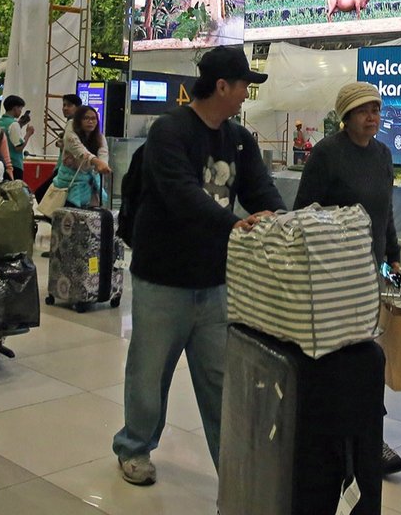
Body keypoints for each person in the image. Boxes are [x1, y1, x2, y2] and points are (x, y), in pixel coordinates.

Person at [112, 45, 283, 486]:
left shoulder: (241, 140)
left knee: (221, 381)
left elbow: (263, 193)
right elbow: (180, 195)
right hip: (162, 278)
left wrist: (288, 224)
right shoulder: (170, 132)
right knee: (149, 374)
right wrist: (237, 225)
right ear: (222, 85)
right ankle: (134, 448)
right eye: (245, 85)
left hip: (215, 282)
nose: (247, 94)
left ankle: (231, 464)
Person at [292, 81, 401, 476]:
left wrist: (391, 255)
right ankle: (334, 439)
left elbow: (384, 211)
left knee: (368, 359)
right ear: (346, 116)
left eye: (376, 109)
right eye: (364, 110)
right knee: (336, 360)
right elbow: (303, 213)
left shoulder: (382, 155)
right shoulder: (326, 155)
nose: (373, 117)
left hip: (367, 274)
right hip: (331, 277)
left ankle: (369, 439)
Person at [51, 105, 111, 208]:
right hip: (69, 184)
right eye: (86, 118)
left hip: (90, 185)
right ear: (79, 120)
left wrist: (103, 165)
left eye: (93, 119)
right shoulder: (71, 129)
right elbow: (78, 149)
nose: (90, 121)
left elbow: (103, 153)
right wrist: (97, 162)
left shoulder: (99, 137)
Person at [0, 95, 35, 181]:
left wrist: (20, 124)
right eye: (20, 109)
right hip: (14, 165)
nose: (21, 112)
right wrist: (28, 134)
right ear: (15, 108)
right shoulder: (14, 124)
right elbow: (18, 147)